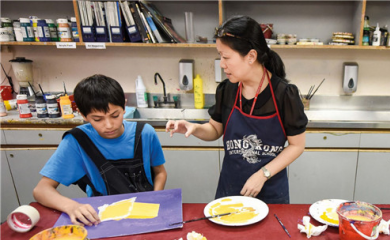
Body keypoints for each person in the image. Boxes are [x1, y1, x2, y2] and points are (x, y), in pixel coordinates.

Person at [166, 15, 307, 204]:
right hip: (231, 189)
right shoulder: (227, 90)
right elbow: (216, 129)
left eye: (226, 57)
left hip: (270, 192)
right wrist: (194, 128)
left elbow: (297, 145)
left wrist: (263, 175)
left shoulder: (284, 94)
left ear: (251, 56)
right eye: (220, 56)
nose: (222, 64)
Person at [33, 74, 167, 226]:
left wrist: (156, 200)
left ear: (124, 106)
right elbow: (41, 190)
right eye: (98, 119)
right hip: (102, 217)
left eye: (115, 115)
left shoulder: (145, 133)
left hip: (145, 212)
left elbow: (160, 172)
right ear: (83, 115)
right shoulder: (77, 141)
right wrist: (71, 206)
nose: (109, 125)